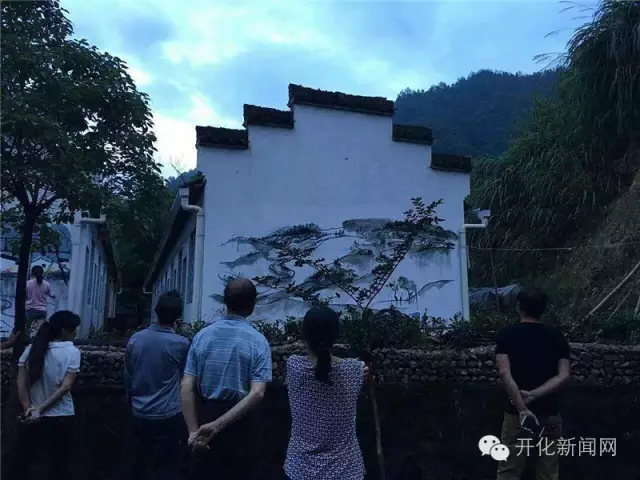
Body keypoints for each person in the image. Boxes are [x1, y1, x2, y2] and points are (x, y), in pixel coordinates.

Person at [182, 277, 272, 480]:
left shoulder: (202, 336)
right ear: (252, 305)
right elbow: (257, 393)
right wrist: (218, 425)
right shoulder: (258, 341)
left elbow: (186, 385)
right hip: (240, 421)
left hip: (205, 415)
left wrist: (193, 432)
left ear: (225, 301)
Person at [495, 287, 571, 480]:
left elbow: (504, 373)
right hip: (549, 412)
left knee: (509, 470)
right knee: (548, 472)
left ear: (519, 307)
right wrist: (535, 394)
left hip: (516, 415)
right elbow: (563, 376)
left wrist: (522, 408)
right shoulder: (556, 336)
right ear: (543, 309)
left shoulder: (507, 334)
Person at [284, 305, 366, 480]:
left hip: (300, 470)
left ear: (304, 334)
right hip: (346, 471)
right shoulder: (355, 369)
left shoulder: (293, 366)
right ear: (336, 335)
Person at [7, 310, 81, 480]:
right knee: (58, 467)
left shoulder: (32, 349)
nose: (75, 333)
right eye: (73, 329)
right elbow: (66, 387)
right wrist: (40, 408)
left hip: (32, 416)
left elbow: (21, 382)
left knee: (23, 463)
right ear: (64, 330)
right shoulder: (72, 352)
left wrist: (30, 409)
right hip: (61, 415)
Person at [124, 290, 190, 480]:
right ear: (178, 316)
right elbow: (187, 377)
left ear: (156, 311)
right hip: (168, 413)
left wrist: (130, 400)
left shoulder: (136, 339)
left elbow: (128, 374)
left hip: (139, 411)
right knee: (165, 467)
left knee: (138, 464)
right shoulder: (181, 343)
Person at [26, 265, 55, 338]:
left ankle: (26, 342)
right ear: (42, 273)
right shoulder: (47, 284)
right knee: (38, 332)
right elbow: (52, 295)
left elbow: (24, 296)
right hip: (42, 311)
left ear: (32, 273)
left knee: (26, 330)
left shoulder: (28, 283)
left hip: (30, 310)